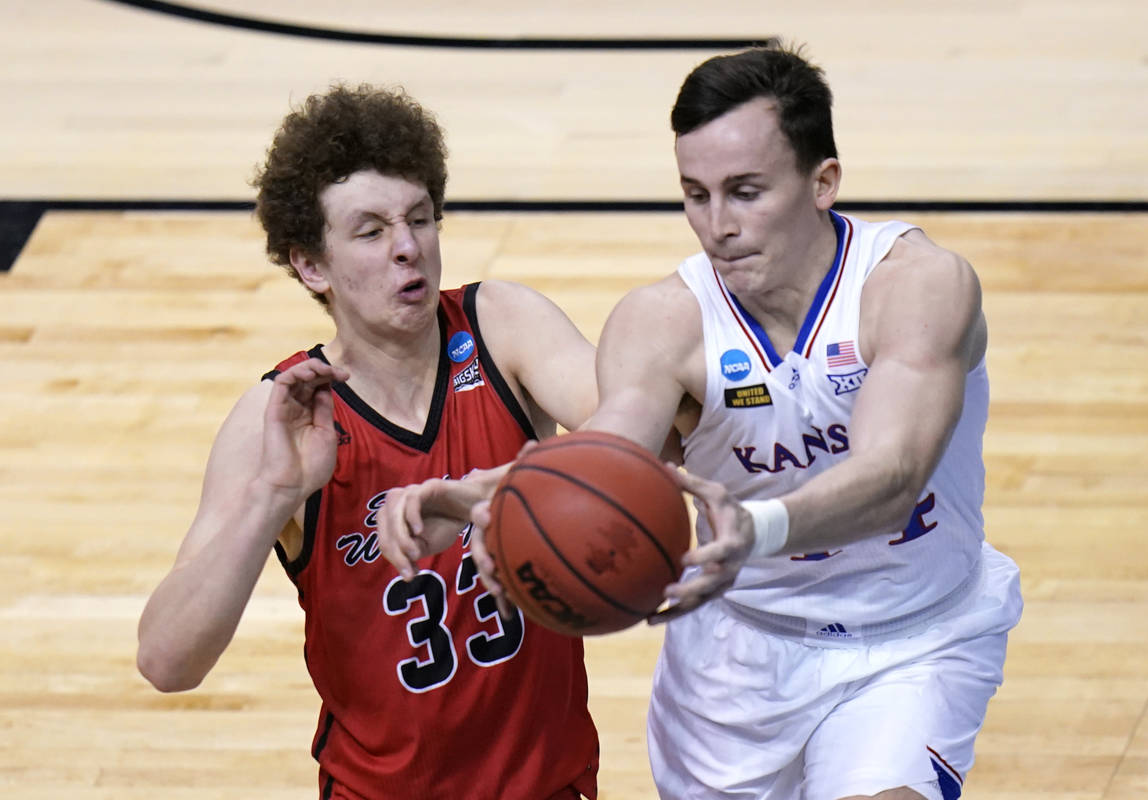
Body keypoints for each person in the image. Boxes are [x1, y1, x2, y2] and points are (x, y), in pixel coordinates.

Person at [392, 45, 1023, 800]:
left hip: (911, 644)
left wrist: (754, 529)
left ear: (823, 182)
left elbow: (891, 476)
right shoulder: (663, 323)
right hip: (737, 658)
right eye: (696, 195)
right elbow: (611, 453)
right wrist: (502, 497)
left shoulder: (915, 287)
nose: (717, 225)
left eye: (746, 192)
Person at [135, 84, 601, 800]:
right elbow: (167, 662)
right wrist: (274, 496)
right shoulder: (278, 414)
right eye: (372, 231)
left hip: (548, 786)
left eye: (419, 219)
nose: (408, 247)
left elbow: (646, 441)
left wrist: (498, 491)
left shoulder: (504, 326)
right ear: (312, 265)